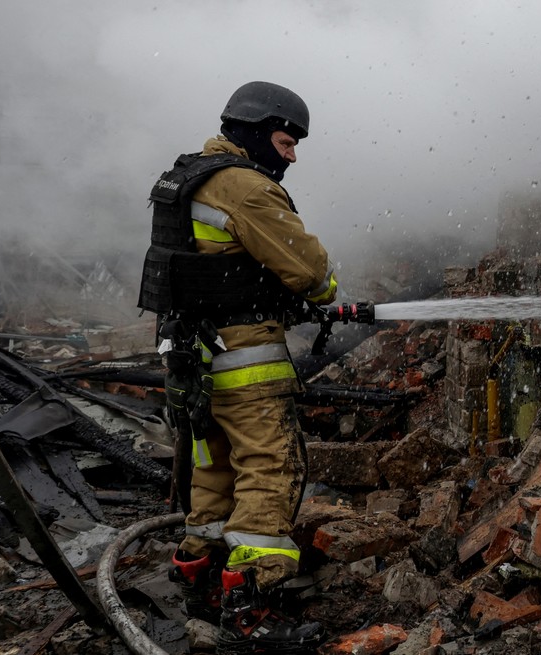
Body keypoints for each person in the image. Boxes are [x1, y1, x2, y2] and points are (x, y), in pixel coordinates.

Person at [139, 81, 337, 654]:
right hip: (244, 363)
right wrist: (324, 292)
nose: (292, 155)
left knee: (214, 472)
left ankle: (199, 579)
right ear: (256, 132)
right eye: (286, 141)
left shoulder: (186, 177)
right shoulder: (245, 187)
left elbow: (213, 270)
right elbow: (309, 268)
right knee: (271, 468)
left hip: (194, 361)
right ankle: (254, 607)